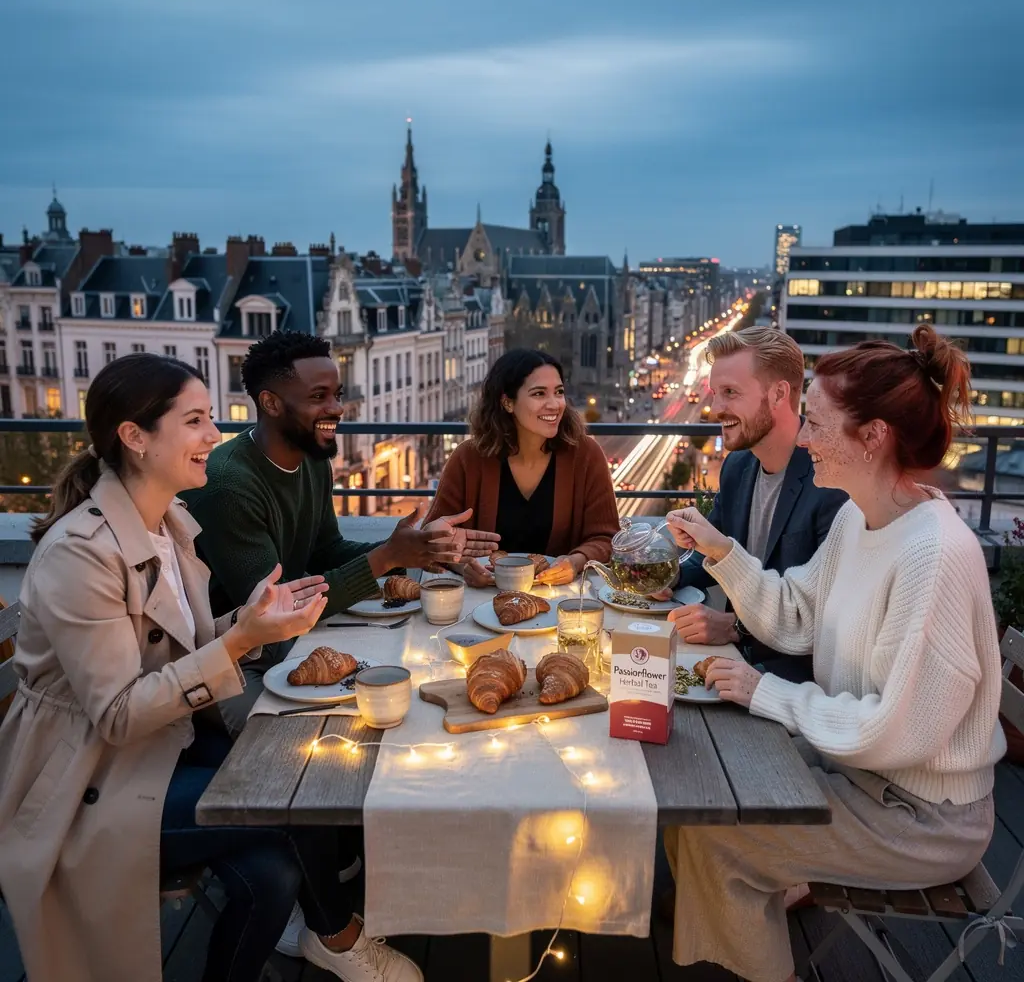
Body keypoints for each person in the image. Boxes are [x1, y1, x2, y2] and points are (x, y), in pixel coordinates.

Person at [0, 353, 423, 982]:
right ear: (135, 438)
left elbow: (181, 648)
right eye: (195, 420)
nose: (214, 437)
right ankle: (337, 936)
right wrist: (237, 642)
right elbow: (116, 715)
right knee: (291, 795)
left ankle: (321, 936)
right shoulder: (80, 556)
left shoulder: (170, 525)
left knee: (275, 866)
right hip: (87, 784)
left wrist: (250, 625)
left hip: (162, 748)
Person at [662, 326, 1005, 982]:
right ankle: (757, 910)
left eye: (816, 422)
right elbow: (796, 619)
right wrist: (721, 552)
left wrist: (765, 693)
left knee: (709, 830)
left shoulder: (933, 555)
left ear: (871, 437)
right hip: (863, 777)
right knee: (702, 779)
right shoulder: (861, 518)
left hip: (921, 819)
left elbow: (890, 731)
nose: (805, 438)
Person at [183, 330, 499, 735]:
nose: (338, 407)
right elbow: (273, 610)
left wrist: (417, 551)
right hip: (234, 664)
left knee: (408, 705)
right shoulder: (229, 485)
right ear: (270, 403)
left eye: (337, 394)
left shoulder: (313, 460)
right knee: (316, 742)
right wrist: (388, 556)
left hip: (293, 647)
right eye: (319, 397)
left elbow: (327, 550)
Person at [669, 327, 846, 683]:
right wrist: (667, 577)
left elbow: (827, 619)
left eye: (730, 393)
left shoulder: (831, 484)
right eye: (714, 394)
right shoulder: (738, 466)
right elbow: (716, 554)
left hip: (793, 681)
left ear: (779, 393)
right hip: (734, 665)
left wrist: (735, 628)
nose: (716, 409)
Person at [425, 348, 619, 587]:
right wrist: (463, 566)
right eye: (539, 394)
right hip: (479, 604)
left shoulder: (586, 454)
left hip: (559, 602)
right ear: (507, 402)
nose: (555, 404)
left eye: (559, 392)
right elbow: (432, 541)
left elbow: (606, 538)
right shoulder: (469, 458)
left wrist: (576, 562)